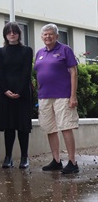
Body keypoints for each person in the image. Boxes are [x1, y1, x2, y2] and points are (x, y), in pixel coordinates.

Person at [35, 23, 79, 174]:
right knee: (50, 128)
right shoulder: (39, 52)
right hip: (44, 96)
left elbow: (73, 73)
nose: (48, 37)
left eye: (50, 34)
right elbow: (39, 73)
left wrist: (73, 96)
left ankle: (72, 162)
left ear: (56, 36)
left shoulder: (65, 50)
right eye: (45, 34)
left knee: (66, 127)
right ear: (42, 37)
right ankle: (56, 160)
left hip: (63, 95)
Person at [0, 22, 33, 169]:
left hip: (23, 93)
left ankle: (24, 157)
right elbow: (0, 73)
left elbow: (27, 72)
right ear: (5, 35)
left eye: (15, 32)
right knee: (9, 127)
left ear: (19, 34)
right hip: (5, 93)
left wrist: (19, 91)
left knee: (23, 127)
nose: (12, 34)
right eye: (9, 32)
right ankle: (8, 157)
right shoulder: (0, 52)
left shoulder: (27, 50)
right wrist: (5, 90)